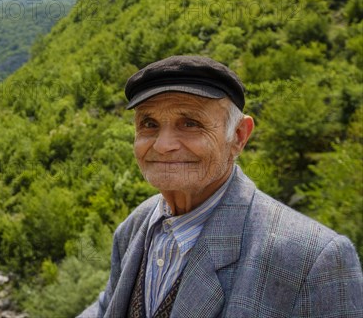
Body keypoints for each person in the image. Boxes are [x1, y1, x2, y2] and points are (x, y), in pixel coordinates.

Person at [78, 55, 363, 318]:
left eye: (190, 123)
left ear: (238, 136)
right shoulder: (134, 226)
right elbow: (107, 306)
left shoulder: (314, 260)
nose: (163, 145)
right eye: (149, 123)